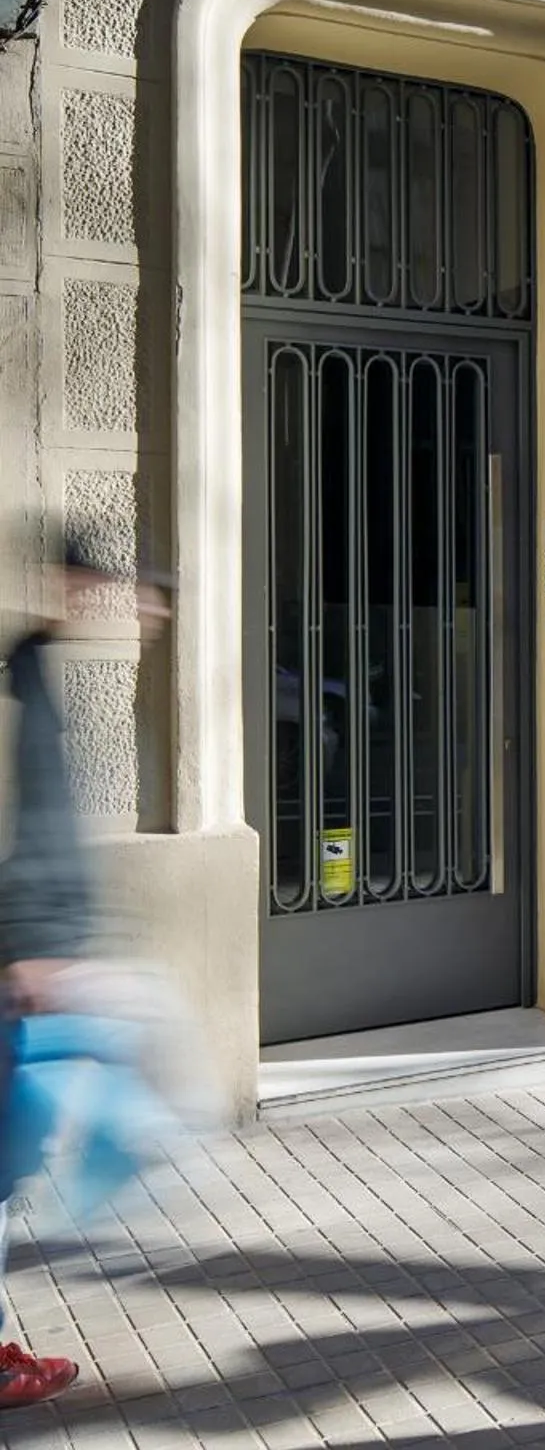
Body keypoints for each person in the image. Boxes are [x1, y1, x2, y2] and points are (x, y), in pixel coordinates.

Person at [0, 526, 136, 1409]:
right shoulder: (19, 683)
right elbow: (24, 824)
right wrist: (29, 947)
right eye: (99, 587)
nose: (122, 607)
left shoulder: (31, 668)